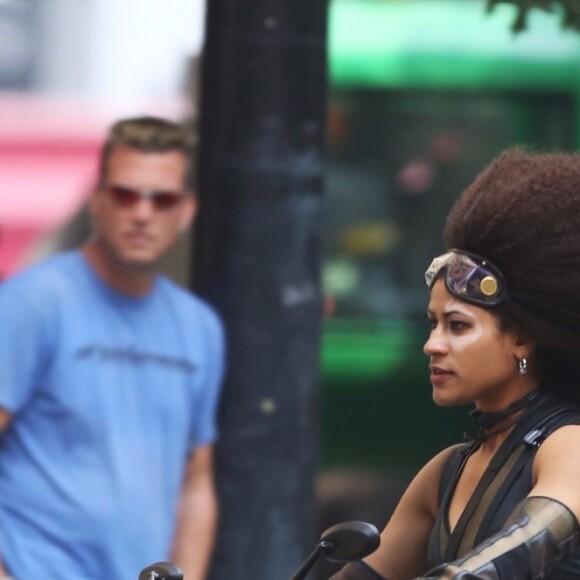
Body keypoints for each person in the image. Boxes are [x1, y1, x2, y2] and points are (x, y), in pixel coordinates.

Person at [330, 148, 580, 579]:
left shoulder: (567, 444)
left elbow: (527, 546)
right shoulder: (447, 470)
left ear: (522, 338)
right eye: (432, 324)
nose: (432, 345)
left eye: (458, 326)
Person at [0, 116, 225, 579]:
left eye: (161, 199)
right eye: (125, 195)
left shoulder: (198, 327)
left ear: (186, 211)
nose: (142, 213)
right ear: (97, 202)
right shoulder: (31, 304)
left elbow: (196, 483)